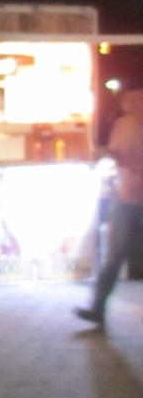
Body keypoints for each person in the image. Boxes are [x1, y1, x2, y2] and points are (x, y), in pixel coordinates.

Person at [76, 89, 143, 326]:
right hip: (124, 197)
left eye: (137, 99)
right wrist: (107, 154)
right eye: (129, 100)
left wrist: (128, 161)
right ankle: (98, 308)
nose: (133, 104)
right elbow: (116, 153)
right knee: (114, 256)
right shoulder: (122, 124)